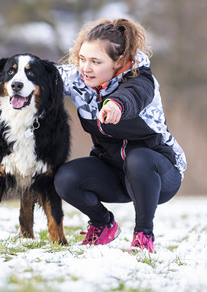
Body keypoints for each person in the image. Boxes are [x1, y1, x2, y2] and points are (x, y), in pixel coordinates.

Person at [54, 18, 187, 252]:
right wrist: (10, 83)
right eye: (83, 59)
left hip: (159, 175)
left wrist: (116, 104)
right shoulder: (79, 79)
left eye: (96, 61)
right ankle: (102, 223)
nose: (86, 68)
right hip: (115, 171)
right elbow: (41, 75)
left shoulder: (142, 79)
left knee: (139, 158)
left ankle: (143, 236)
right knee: (66, 177)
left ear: (120, 62)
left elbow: (133, 94)